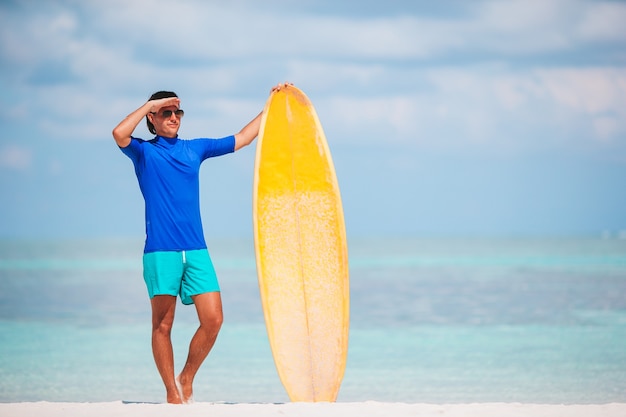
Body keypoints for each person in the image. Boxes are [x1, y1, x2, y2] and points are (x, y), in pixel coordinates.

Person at [112, 83, 289, 404]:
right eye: (166, 112)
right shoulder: (144, 152)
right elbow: (119, 133)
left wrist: (276, 103)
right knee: (162, 324)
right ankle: (171, 393)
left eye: (177, 111)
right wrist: (151, 103)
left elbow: (244, 138)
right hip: (161, 252)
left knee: (213, 319)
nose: (173, 117)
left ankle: (187, 376)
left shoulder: (195, 149)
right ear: (152, 118)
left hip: (196, 250)